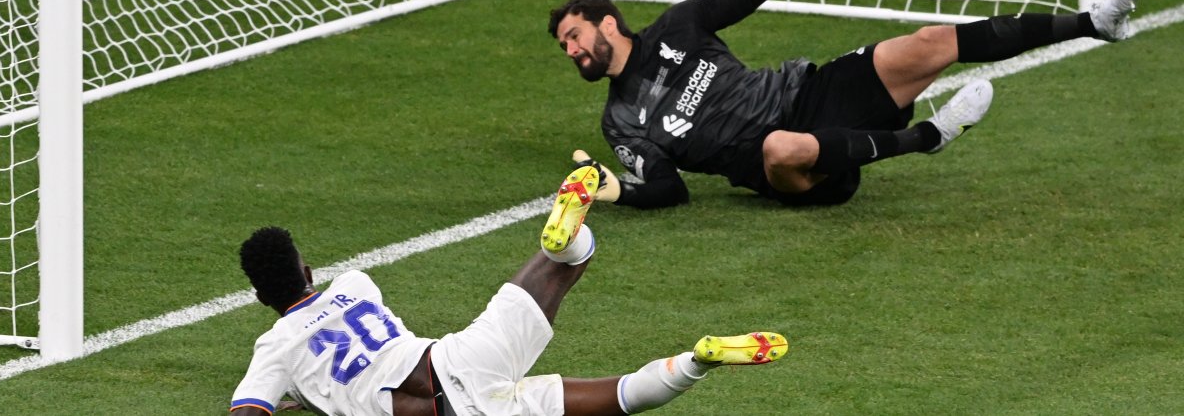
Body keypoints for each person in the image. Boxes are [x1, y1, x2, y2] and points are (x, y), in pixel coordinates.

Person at [548, 0, 1138, 208]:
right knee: (781, 146)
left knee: (932, 40)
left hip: (809, 93)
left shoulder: (680, 23)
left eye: (575, 35)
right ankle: (929, 138)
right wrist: (615, 189)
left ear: (607, 22)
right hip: (787, 170)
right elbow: (670, 188)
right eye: (565, 47)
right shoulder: (619, 121)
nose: (571, 50)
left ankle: (1093, 22)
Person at [229, 165, 787, 415]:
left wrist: (291, 396)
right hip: (459, 358)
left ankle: (695, 363)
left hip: (460, 412)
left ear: (261, 297)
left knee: (621, 398)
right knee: (560, 264)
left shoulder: (275, 350)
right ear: (308, 270)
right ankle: (566, 241)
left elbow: (254, 409)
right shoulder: (354, 285)